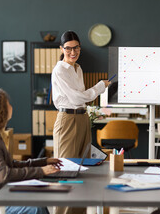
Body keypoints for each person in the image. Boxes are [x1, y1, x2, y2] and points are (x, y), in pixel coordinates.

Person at [51, 31, 110, 214]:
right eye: (68, 48)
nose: (72, 52)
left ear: (80, 48)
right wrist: (100, 87)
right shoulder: (59, 70)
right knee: (66, 170)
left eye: (76, 47)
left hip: (83, 118)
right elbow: (77, 98)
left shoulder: (78, 68)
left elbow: (81, 101)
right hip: (67, 120)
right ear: (61, 49)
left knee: (83, 169)